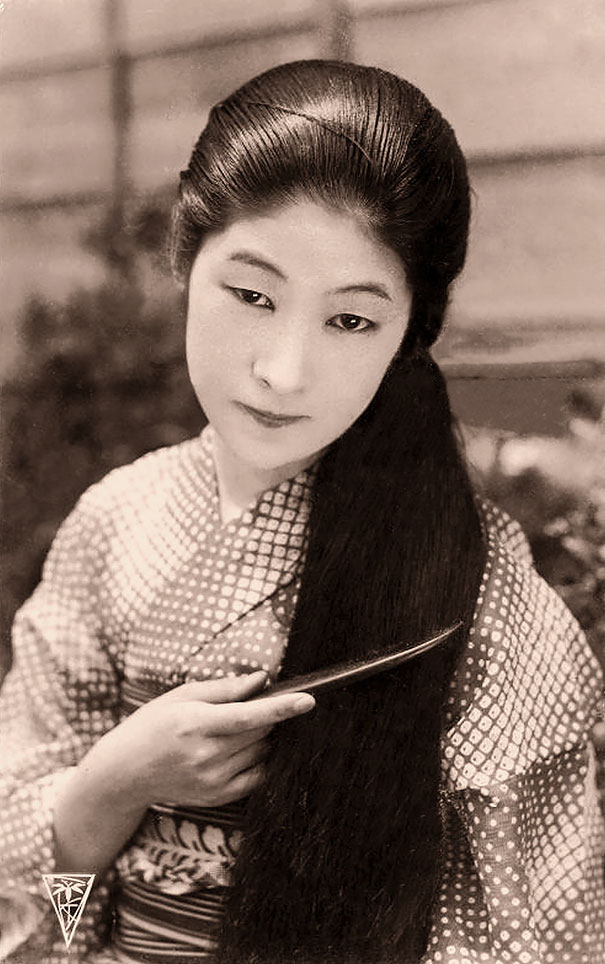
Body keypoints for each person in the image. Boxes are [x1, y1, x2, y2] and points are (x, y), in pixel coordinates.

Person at [0, 59, 603, 964]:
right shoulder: (112, 525)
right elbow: (53, 905)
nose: (282, 372)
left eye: (350, 321)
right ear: (183, 259)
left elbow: (528, 938)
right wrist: (110, 787)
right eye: (251, 295)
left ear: (409, 331)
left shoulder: (484, 595)